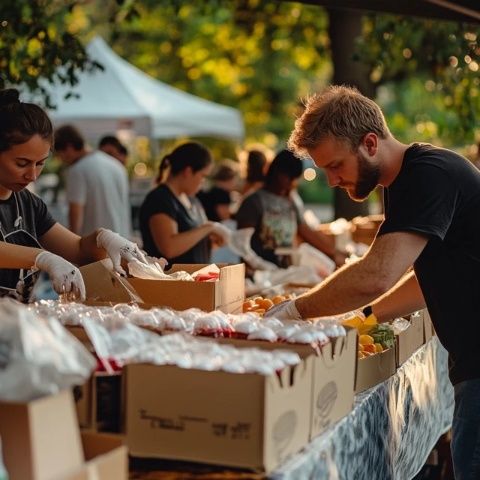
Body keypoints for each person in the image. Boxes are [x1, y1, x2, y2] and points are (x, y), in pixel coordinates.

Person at [265, 85, 480, 480]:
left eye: (335, 165)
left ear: (369, 143)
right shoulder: (408, 180)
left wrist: (298, 310)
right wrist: (362, 318)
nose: (331, 181)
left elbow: (377, 274)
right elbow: (425, 279)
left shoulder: (428, 176)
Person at [0, 88, 148, 302]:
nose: (32, 175)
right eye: (21, 163)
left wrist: (102, 239)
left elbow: (78, 250)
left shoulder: (29, 204)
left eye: (40, 164)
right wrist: (42, 257)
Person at [236, 149, 336, 269]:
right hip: (260, 274)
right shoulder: (253, 202)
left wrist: (333, 252)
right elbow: (241, 245)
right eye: (290, 178)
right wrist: (257, 267)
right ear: (278, 173)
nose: (293, 183)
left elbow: (305, 231)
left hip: (286, 271)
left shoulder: (291, 201)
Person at [139, 142, 229, 265]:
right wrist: (209, 228)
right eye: (202, 176)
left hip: (196, 281)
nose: (203, 182)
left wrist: (215, 240)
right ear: (188, 171)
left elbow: (192, 245)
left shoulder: (194, 201)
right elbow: (169, 248)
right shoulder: (160, 199)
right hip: (170, 282)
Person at [55, 125, 131, 238]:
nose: (60, 160)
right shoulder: (116, 165)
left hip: (96, 247)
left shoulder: (77, 170)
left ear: (69, 148)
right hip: (123, 242)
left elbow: (75, 215)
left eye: (59, 154)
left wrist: (72, 245)